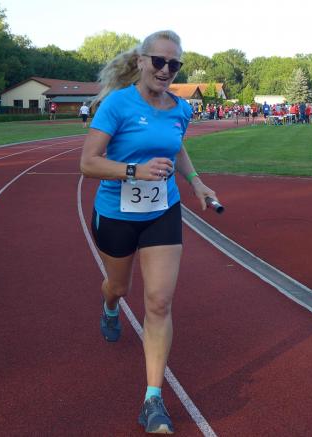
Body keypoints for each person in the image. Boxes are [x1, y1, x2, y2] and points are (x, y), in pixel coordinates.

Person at [80, 30, 219, 434]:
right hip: (116, 213)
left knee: (159, 302)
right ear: (141, 61)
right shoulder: (117, 104)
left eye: (174, 64)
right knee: (119, 287)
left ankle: (153, 399)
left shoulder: (181, 108)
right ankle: (109, 306)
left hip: (162, 210)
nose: (165, 69)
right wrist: (134, 171)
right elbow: (88, 163)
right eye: (158, 61)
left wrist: (195, 182)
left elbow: (176, 147)